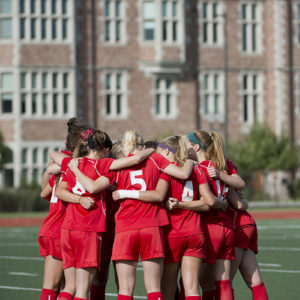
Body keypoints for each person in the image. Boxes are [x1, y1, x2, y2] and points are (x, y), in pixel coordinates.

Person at [68, 130, 195, 300]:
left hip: (125, 229)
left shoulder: (118, 165)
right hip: (152, 226)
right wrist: (189, 158)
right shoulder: (156, 159)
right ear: (143, 146)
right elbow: (182, 174)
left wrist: (75, 169)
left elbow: (93, 187)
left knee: (125, 290)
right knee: (154, 289)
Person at [53, 129, 155, 300]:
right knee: (86, 289)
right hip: (92, 229)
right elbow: (94, 186)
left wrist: (77, 196)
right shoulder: (104, 165)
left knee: (70, 286)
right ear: (106, 150)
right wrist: (153, 149)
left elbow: (56, 174)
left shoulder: (74, 164)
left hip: (70, 228)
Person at [113, 135, 209, 300]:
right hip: (195, 231)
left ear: (167, 151)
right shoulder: (197, 168)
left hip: (172, 232)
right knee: (192, 288)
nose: (156, 156)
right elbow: (208, 203)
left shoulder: (163, 169)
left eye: (158, 152)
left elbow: (158, 195)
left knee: (166, 290)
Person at [185, 130, 246, 300]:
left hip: (207, 228)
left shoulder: (198, 169)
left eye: (188, 145)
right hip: (225, 227)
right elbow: (239, 186)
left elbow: (206, 202)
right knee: (223, 281)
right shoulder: (221, 165)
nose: (185, 149)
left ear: (196, 147)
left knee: (190, 282)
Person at [38, 117, 91, 300]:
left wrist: (48, 170)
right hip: (60, 228)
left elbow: (44, 193)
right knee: (58, 288)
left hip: (53, 227)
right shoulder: (77, 164)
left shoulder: (63, 162)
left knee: (62, 287)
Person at [208, 160, 268, 300]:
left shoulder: (221, 178)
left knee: (225, 282)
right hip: (247, 223)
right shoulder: (228, 176)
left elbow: (238, 204)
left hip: (238, 225)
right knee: (255, 281)